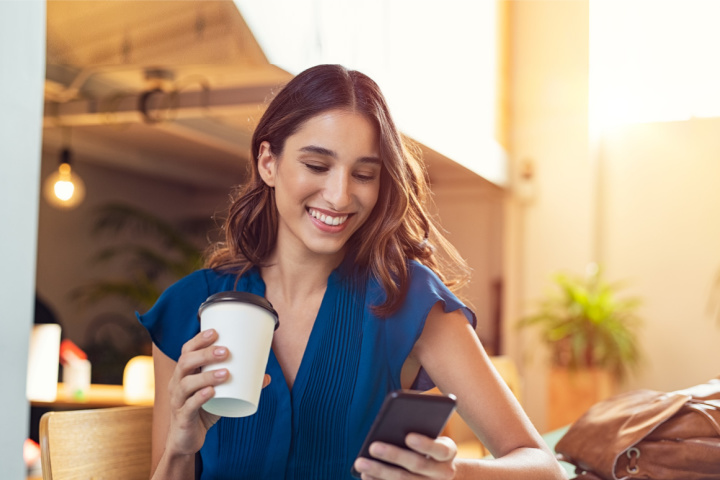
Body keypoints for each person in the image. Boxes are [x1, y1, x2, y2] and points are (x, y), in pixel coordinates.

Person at [138, 64, 565, 480]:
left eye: (363, 174)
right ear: (268, 162)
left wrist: (453, 474)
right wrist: (179, 447)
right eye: (317, 166)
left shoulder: (409, 301)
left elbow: (543, 468)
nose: (340, 196)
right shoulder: (189, 307)